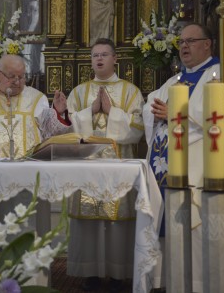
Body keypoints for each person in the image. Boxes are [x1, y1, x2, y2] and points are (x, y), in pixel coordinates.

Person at [142, 23, 224, 292]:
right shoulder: (175, 79)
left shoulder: (222, 76)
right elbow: (153, 105)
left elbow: (220, 121)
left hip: (202, 169)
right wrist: (155, 111)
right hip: (165, 170)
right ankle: (170, 283)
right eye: (181, 42)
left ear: (208, 44)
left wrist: (175, 112)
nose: (184, 46)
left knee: (196, 232)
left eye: (191, 41)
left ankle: (199, 285)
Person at [66, 38, 145, 292]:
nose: (98, 59)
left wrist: (112, 112)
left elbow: (137, 129)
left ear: (115, 59)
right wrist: (90, 112)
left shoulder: (130, 91)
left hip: (117, 165)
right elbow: (68, 129)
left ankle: (117, 272)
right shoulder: (78, 92)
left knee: (116, 221)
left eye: (104, 54)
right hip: (86, 167)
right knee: (88, 222)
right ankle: (89, 272)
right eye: (94, 55)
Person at [0, 54, 71, 158]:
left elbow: (52, 135)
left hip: (30, 166)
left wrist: (58, 113)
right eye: (11, 76)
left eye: (21, 77)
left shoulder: (37, 98)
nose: (17, 82)